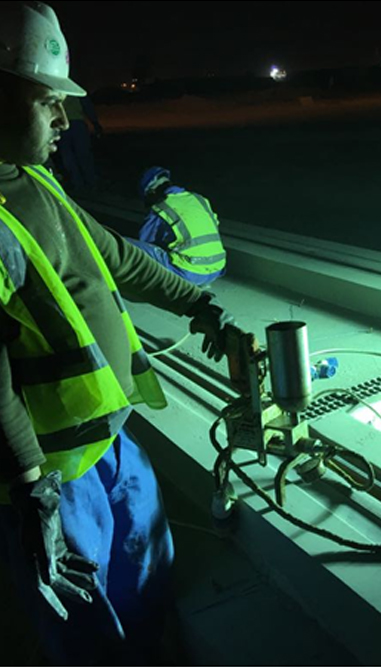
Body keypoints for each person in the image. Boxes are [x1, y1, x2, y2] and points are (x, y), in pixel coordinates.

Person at [0, 2, 236, 662]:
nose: (65, 119)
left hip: (108, 441)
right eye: (47, 101)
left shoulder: (36, 183)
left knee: (145, 569)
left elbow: (120, 257)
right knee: (84, 610)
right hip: (52, 474)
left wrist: (198, 304)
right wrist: (31, 487)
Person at [127, 167, 227, 287]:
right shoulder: (199, 199)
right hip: (217, 269)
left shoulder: (160, 208)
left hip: (188, 272)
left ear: (151, 191)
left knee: (127, 245)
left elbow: (146, 242)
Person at [54, 94, 102, 193]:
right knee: (82, 154)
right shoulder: (75, 91)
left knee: (69, 156)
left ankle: (79, 183)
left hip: (64, 124)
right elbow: (87, 106)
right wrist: (95, 122)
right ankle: (89, 182)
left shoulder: (57, 91)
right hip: (76, 124)